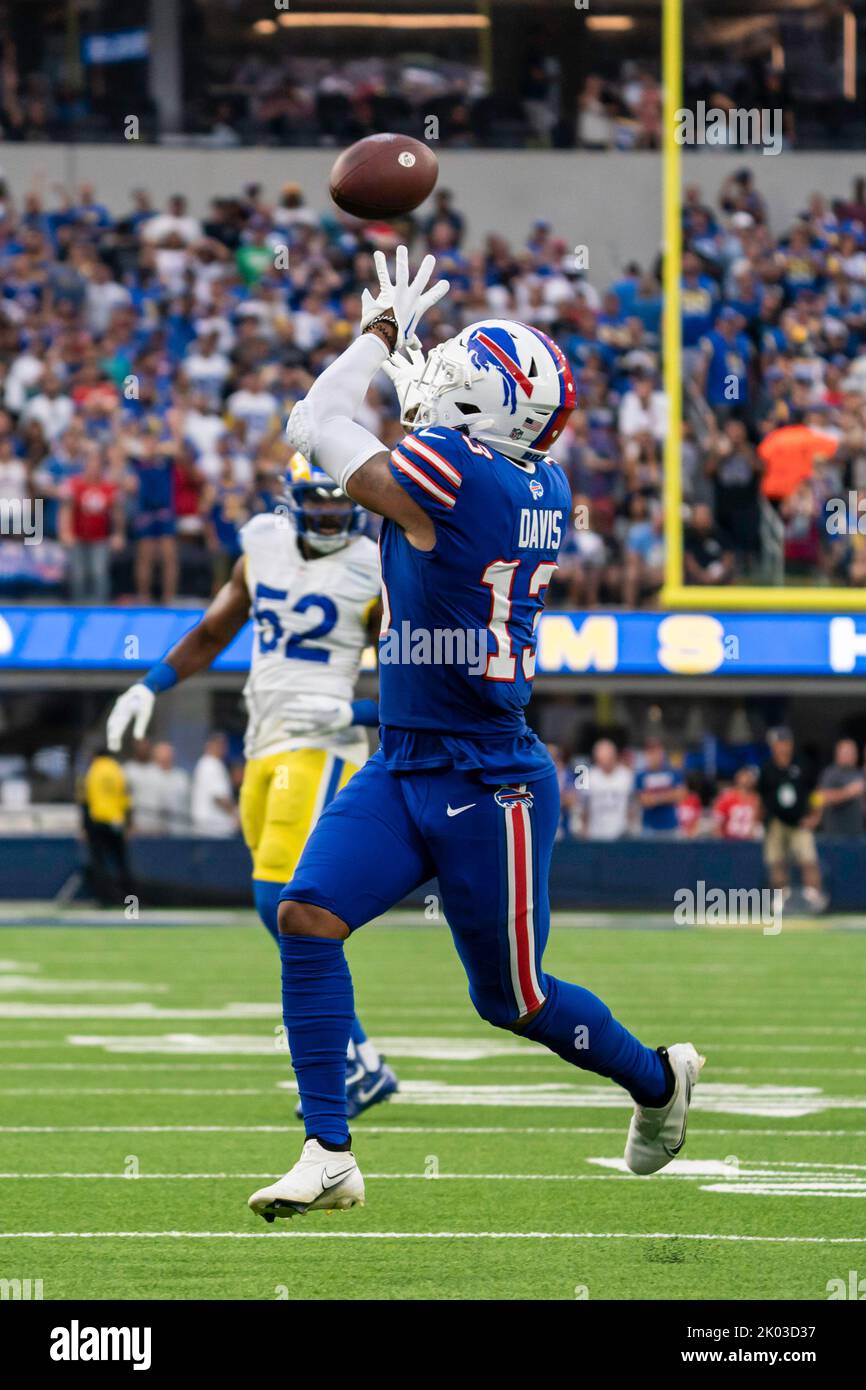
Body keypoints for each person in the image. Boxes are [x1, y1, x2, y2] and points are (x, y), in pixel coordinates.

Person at [247, 247, 704, 1223]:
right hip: (404, 753)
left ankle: (657, 1079)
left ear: (486, 409)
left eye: (464, 371)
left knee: (513, 999)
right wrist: (417, 376)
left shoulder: (455, 475)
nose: (442, 373)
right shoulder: (526, 479)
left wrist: (375, 335)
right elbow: (427, 444)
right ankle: (328, 1149)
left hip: (485, 775)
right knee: (307, 913)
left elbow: (313, 421)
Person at [106, 452, 398, 1120]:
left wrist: (356, 712)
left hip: (323, 745)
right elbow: (214, 629)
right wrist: (150, 683)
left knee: (286, 902)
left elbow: (430, 668)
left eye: (337, 501)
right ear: (292, 500)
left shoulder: (376, 568)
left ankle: (356, 1062)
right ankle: (359, 1058)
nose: (329, 514)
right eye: (315, 501)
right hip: (262, 743)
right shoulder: (262, 546)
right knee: (275, 906)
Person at [758, 726, 826, 910]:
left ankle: (815, 899)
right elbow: (761, 798)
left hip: (799, 821)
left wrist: (815, 816)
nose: (780, 747)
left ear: (790, 744)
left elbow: (817, 793)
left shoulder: (803, 764)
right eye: (777, 743)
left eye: (784, 743)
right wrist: (759, 821)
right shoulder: (767, 768)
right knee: (776, 861)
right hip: (776, 822)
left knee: (808, 860)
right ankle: (781, 899)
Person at [81, 747, 132, 906]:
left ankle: (104, 899)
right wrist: (128, 824)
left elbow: (85, 800)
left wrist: (84, 826)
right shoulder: (117, 770)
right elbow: (126, 799)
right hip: (116, 821)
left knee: (99, 863)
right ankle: (129, 899)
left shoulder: (93, 771)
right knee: (121, 863)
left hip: (97, 821)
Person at [578, 738, 633, 840]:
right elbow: (584, 806)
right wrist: (583, 828)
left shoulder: (627, 775)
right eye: (600, 758)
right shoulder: (588, 776)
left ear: (614, 756)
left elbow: (632, 806)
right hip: (595, 833)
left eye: (606, 757)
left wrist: (631, 829)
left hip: (620, 833)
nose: (603, 761)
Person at [191, 733, 238, 837]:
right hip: (214, 829)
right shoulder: (212, 764)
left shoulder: (205, 763)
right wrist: (237, 814)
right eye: (219, 745)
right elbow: (219, 798)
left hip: (208, 828)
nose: (223, 748)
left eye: (224, 745)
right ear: (209, 745)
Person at [816, 738, 865, 837]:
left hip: (857, 835)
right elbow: (822, 797)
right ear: (838, 754)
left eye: (852, 752)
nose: (850, 755)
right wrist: (848, 792)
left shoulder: (859, 774)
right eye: (846, 752)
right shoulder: (830, 773)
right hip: (836, 836)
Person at [634, 737, 683, 835]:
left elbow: (680, 795)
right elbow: (645, 801)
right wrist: (668, 795)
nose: (654, 756)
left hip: (671, 827)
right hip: (649, 828)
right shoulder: (640, 775)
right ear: (646, 754)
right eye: (651, 752)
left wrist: (654, 798)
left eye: (657, 751)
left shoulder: (673, 772)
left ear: (662, 752)